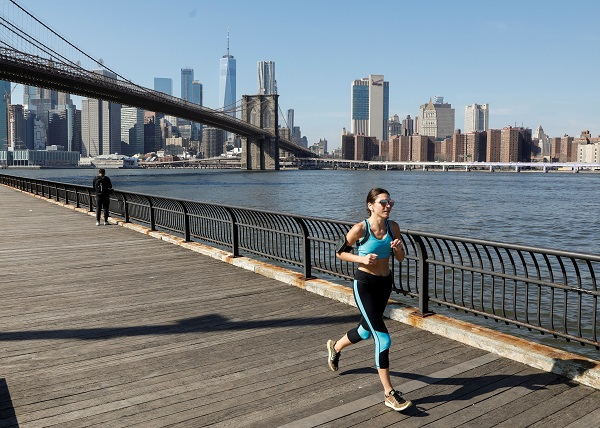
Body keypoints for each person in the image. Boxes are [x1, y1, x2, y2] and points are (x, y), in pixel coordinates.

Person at [327, 187, 412, 412]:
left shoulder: (394, 228)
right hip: (364, 285)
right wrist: (361, 259)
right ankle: (389, 393)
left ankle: (335, 347)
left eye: (390, 202)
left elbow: (401, 258)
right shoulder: (359, 229)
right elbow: (339, 252)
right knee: (383, 339)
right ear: (371, 205)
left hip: (384, 284)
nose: (388, 206)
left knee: (365, 331)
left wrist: (399, 249)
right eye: (383, 202)